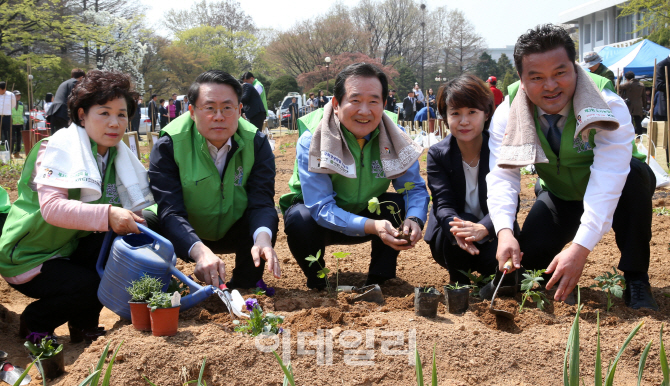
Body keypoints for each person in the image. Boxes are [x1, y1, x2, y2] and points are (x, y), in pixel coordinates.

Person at [486, 24, 657, 310]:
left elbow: (609, 178)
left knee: (634, 178)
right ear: (522, 78)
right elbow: (503, 176)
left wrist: (579, 249)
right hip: (560, 195)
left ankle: (637, 278)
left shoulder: (607, 104)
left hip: (620, 192)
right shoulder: (508, 111)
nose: (550, 86)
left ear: (575, 69)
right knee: (530, 264)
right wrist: (504, 231)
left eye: (560, 73)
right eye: (537, 77)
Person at [0, 70, 153, 342]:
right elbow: (53, 209)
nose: (114, 123)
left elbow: (136, 208)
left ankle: (83, 325)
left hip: (68, 246)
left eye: (121, 114)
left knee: (116, 252)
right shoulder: (56, 149)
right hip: (30, 253)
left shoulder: (117, 156)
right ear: (82, 115)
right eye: (104, 113)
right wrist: (108, 213)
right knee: (91, 283)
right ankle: (35, 321)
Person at [280, 63, 430, 290]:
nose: (364, 111)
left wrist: (415, 219)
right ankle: (318, 281)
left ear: (384, 104)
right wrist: (372, 226)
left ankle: (381, 279)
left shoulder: (395, 137)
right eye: (355, 100)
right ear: (336, 104)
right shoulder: (314, 139)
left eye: (373, 101)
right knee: (299, 218)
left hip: (369, 213)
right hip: (320, 222)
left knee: (397, 205)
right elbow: (320, 207)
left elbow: (414, 189)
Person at [145, 70, 280, 288]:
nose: (218, 116)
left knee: (263, 224)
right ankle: (159, 287)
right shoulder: (170, 143)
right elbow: (170, 209)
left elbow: (262, 201)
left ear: (239, 110)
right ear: (192, 111)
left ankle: (246, 284)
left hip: (232, 227)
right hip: (184, 231)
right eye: (209, 108)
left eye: (227, 108)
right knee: (146, 221)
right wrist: (198, 250)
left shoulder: (256, 142)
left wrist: (263, 238)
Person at [424, 74, 516, 285]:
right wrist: (458, 228)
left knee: (506, 268)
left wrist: (484, 227)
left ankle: (490, 280)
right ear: (445, 117)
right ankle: (459, 285)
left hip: (492, 231)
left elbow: (511, 198)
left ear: (486, 114)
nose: (464, 121)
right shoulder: (438, 154)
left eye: (472, 112)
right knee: (462, 219)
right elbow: (443, 203)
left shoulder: (500, 148)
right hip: (451, 239)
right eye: (455, 113)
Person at [46, 69, 85, 134]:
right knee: (69, 135)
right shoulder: (75, 83)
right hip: (63, 112)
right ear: (82, 77)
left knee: (55, 136)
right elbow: (75, 99)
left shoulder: (64, 83)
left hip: (53, 112)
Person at [10, 90, 23, 158]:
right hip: (12, 123)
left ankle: (17, 152)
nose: (18, 96)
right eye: (16, 95)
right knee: (12, 139)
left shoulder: (21, 104)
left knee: (19, 139)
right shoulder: (9, 104)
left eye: (19, 95)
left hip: (20, 123)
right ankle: (10, 153)